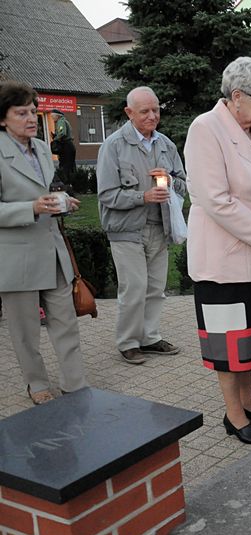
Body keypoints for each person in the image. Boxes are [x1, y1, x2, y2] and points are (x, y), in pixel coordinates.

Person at [185, 57, 251, 446]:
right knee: (229, 342)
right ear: (237, 95)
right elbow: (216, 200)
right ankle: (233, 415)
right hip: (224, 259)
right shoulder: (206, 129)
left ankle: (249, 402)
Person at [0, 81, 87, 404]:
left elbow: (46, 190)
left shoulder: (40, 147)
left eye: (33, 112)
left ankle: (75, 385)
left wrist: (63, 202)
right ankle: (36, 384)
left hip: (53, 252)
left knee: (66, 323)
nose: (30, 119)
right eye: (21, 113)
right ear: (2, 119)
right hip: (16, 258)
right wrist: (32, 208)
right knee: (25, 331)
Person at [96, 86, 186, 364]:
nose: (152, 116)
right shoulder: (113, 145)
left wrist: (170, 181)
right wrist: (142, 197)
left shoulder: (166, 144)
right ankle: (128, 342)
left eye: (156, 110)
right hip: (126, 230)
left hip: (160, 227)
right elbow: (107, 195)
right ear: (129, 113)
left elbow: (185, 185)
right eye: (145, 111)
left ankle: (150, 337)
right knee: (134, 288)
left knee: (156, 288)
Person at [49, 109, 76, 183]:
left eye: (53, 116)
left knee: (65, 165)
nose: (52, 118)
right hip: (69, 145)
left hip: (66, 145)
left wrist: (55, 139)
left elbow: (62, 133)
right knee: (70, 165)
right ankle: (72, 182)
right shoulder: (65, 121)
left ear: (57, 116)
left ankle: (66, 182)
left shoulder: (60, 121)